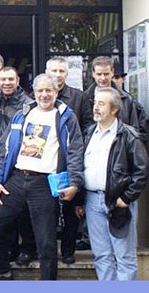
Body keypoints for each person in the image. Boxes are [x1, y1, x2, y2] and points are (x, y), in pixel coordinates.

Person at [0, 74, 84, 281]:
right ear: (34, 93)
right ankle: (2, 270)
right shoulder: (22, 115)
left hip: (44, 183)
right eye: (40, 91)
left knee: (46, 241)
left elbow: (75, 151)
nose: (44, 95)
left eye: (48, 90)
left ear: (56, 92)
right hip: (17, 179)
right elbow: (4, 148)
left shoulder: (66, 117)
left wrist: (75, 183)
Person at [79, 87, 149, 280]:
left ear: (114, 109)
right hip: (92, 201)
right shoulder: (89, 133)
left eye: (101, 104)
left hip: (118, 202)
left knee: (125, 257)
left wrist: (126, 197)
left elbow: (142, 170)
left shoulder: (128, 135)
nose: (95, 107)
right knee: (102, 256)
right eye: (95, 103)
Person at [46, 57, 94, 264]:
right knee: (47, 209)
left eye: (61, 71)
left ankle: (67, 251)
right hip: (46, 161)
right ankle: (46, 250)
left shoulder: (79, 97)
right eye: (53, 71)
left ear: (66, 74)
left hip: (71, 161)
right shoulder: (39, 95)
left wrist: (78, 147)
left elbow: (88, 126)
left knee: (71, 208)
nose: (57, 75)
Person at [0, 66, 35, 264]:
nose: (7, 83)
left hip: (19, 162)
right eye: (3, 79)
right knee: (3, 206)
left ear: (18, 81)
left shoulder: (27, 105)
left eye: (11, 79)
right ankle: (10, 248)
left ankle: (28, 248)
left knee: (23, 211)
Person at [83, 56, 148, 144]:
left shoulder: (126, 99)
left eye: (106, 74)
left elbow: (135, 131)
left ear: (112, 72)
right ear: (93, 74)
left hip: (121, 149)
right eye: (99, 74)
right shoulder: (84, 99)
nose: (103, 78)